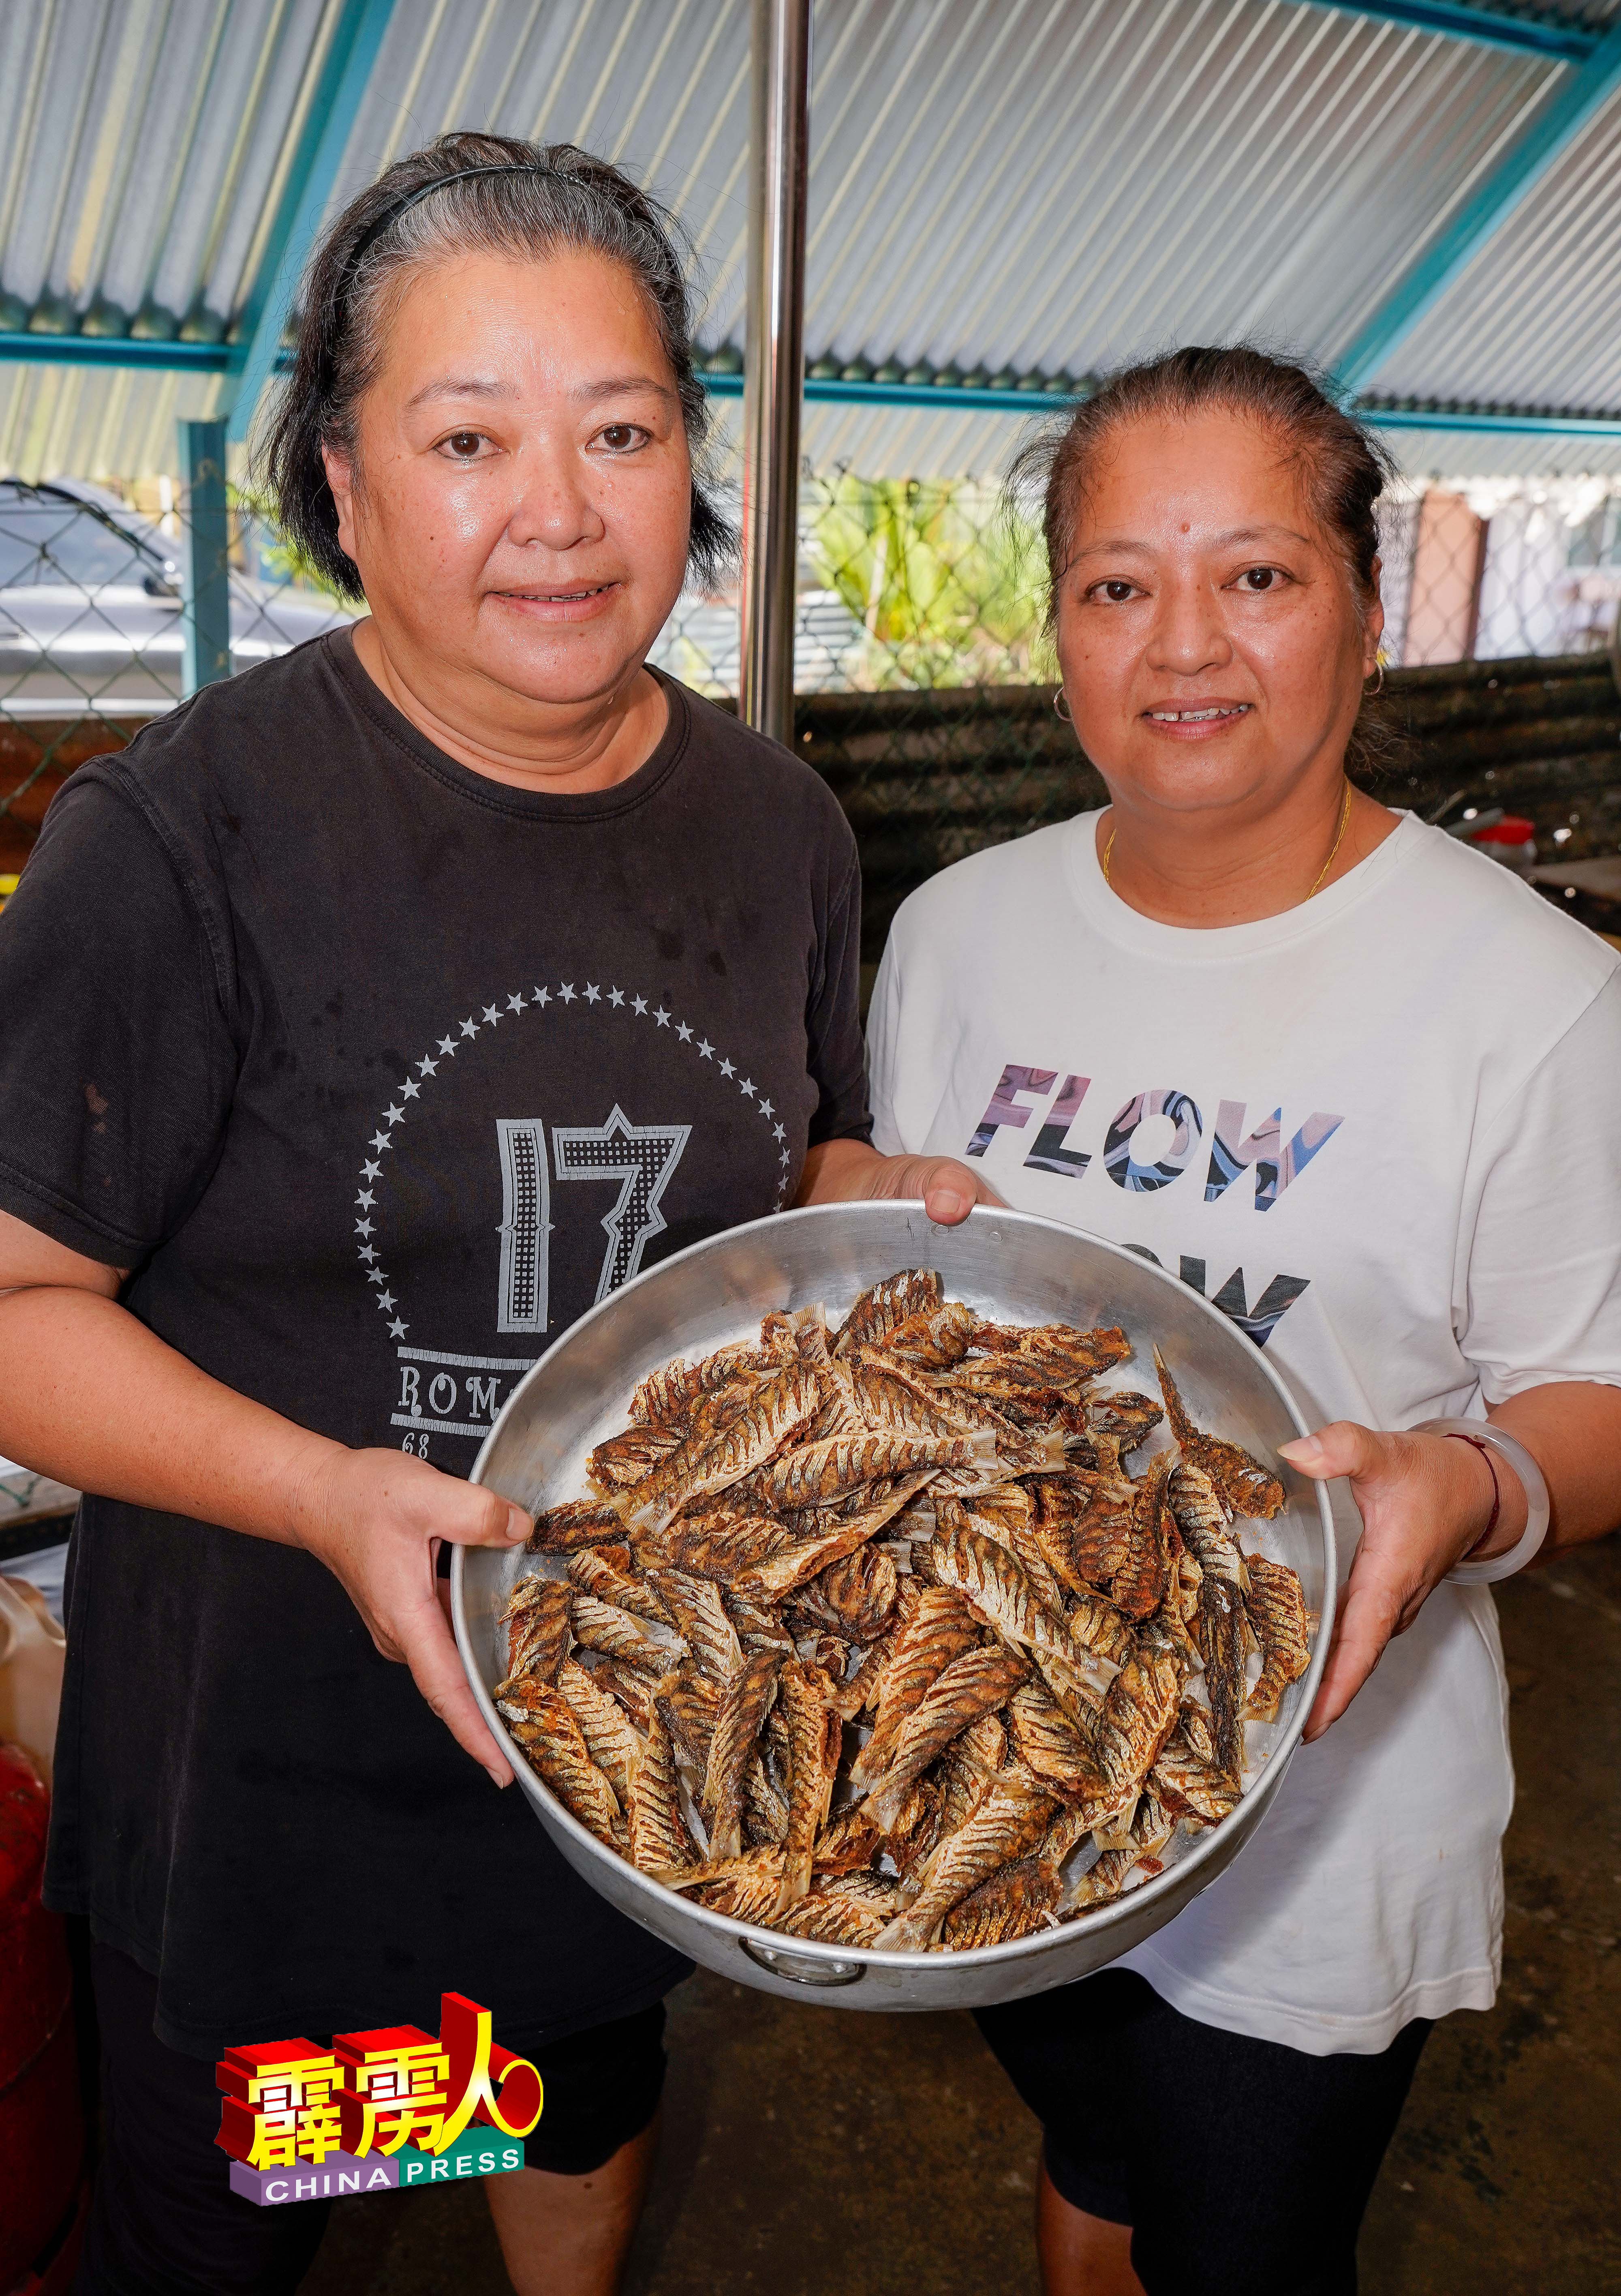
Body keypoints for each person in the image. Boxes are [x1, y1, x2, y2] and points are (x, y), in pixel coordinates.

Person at [0, 133, 943, 2296]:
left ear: (687, 462)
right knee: (273, 2207)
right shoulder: (185, 839)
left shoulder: (778, 827)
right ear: (344, 484)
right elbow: (16, 1293)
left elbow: (767, 1173)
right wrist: (336, 1493)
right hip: (289, 1776)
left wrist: (863, 1200)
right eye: (468, 436)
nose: (558, 506)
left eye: (620, 432)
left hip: (646, 1740)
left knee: (564, 2113)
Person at [855, 346, 1621, 2295]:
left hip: (1313, 1815)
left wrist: (1469, 1489)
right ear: (1058, 633)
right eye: (1118, 583)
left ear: (1364, 613)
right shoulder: (952, 934)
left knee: (1245, 2244)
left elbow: (1594, 1394)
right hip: (995, 1748)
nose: (1182, 641)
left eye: (1256, 575)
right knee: (1092, 2154)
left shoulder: (1528, 997)